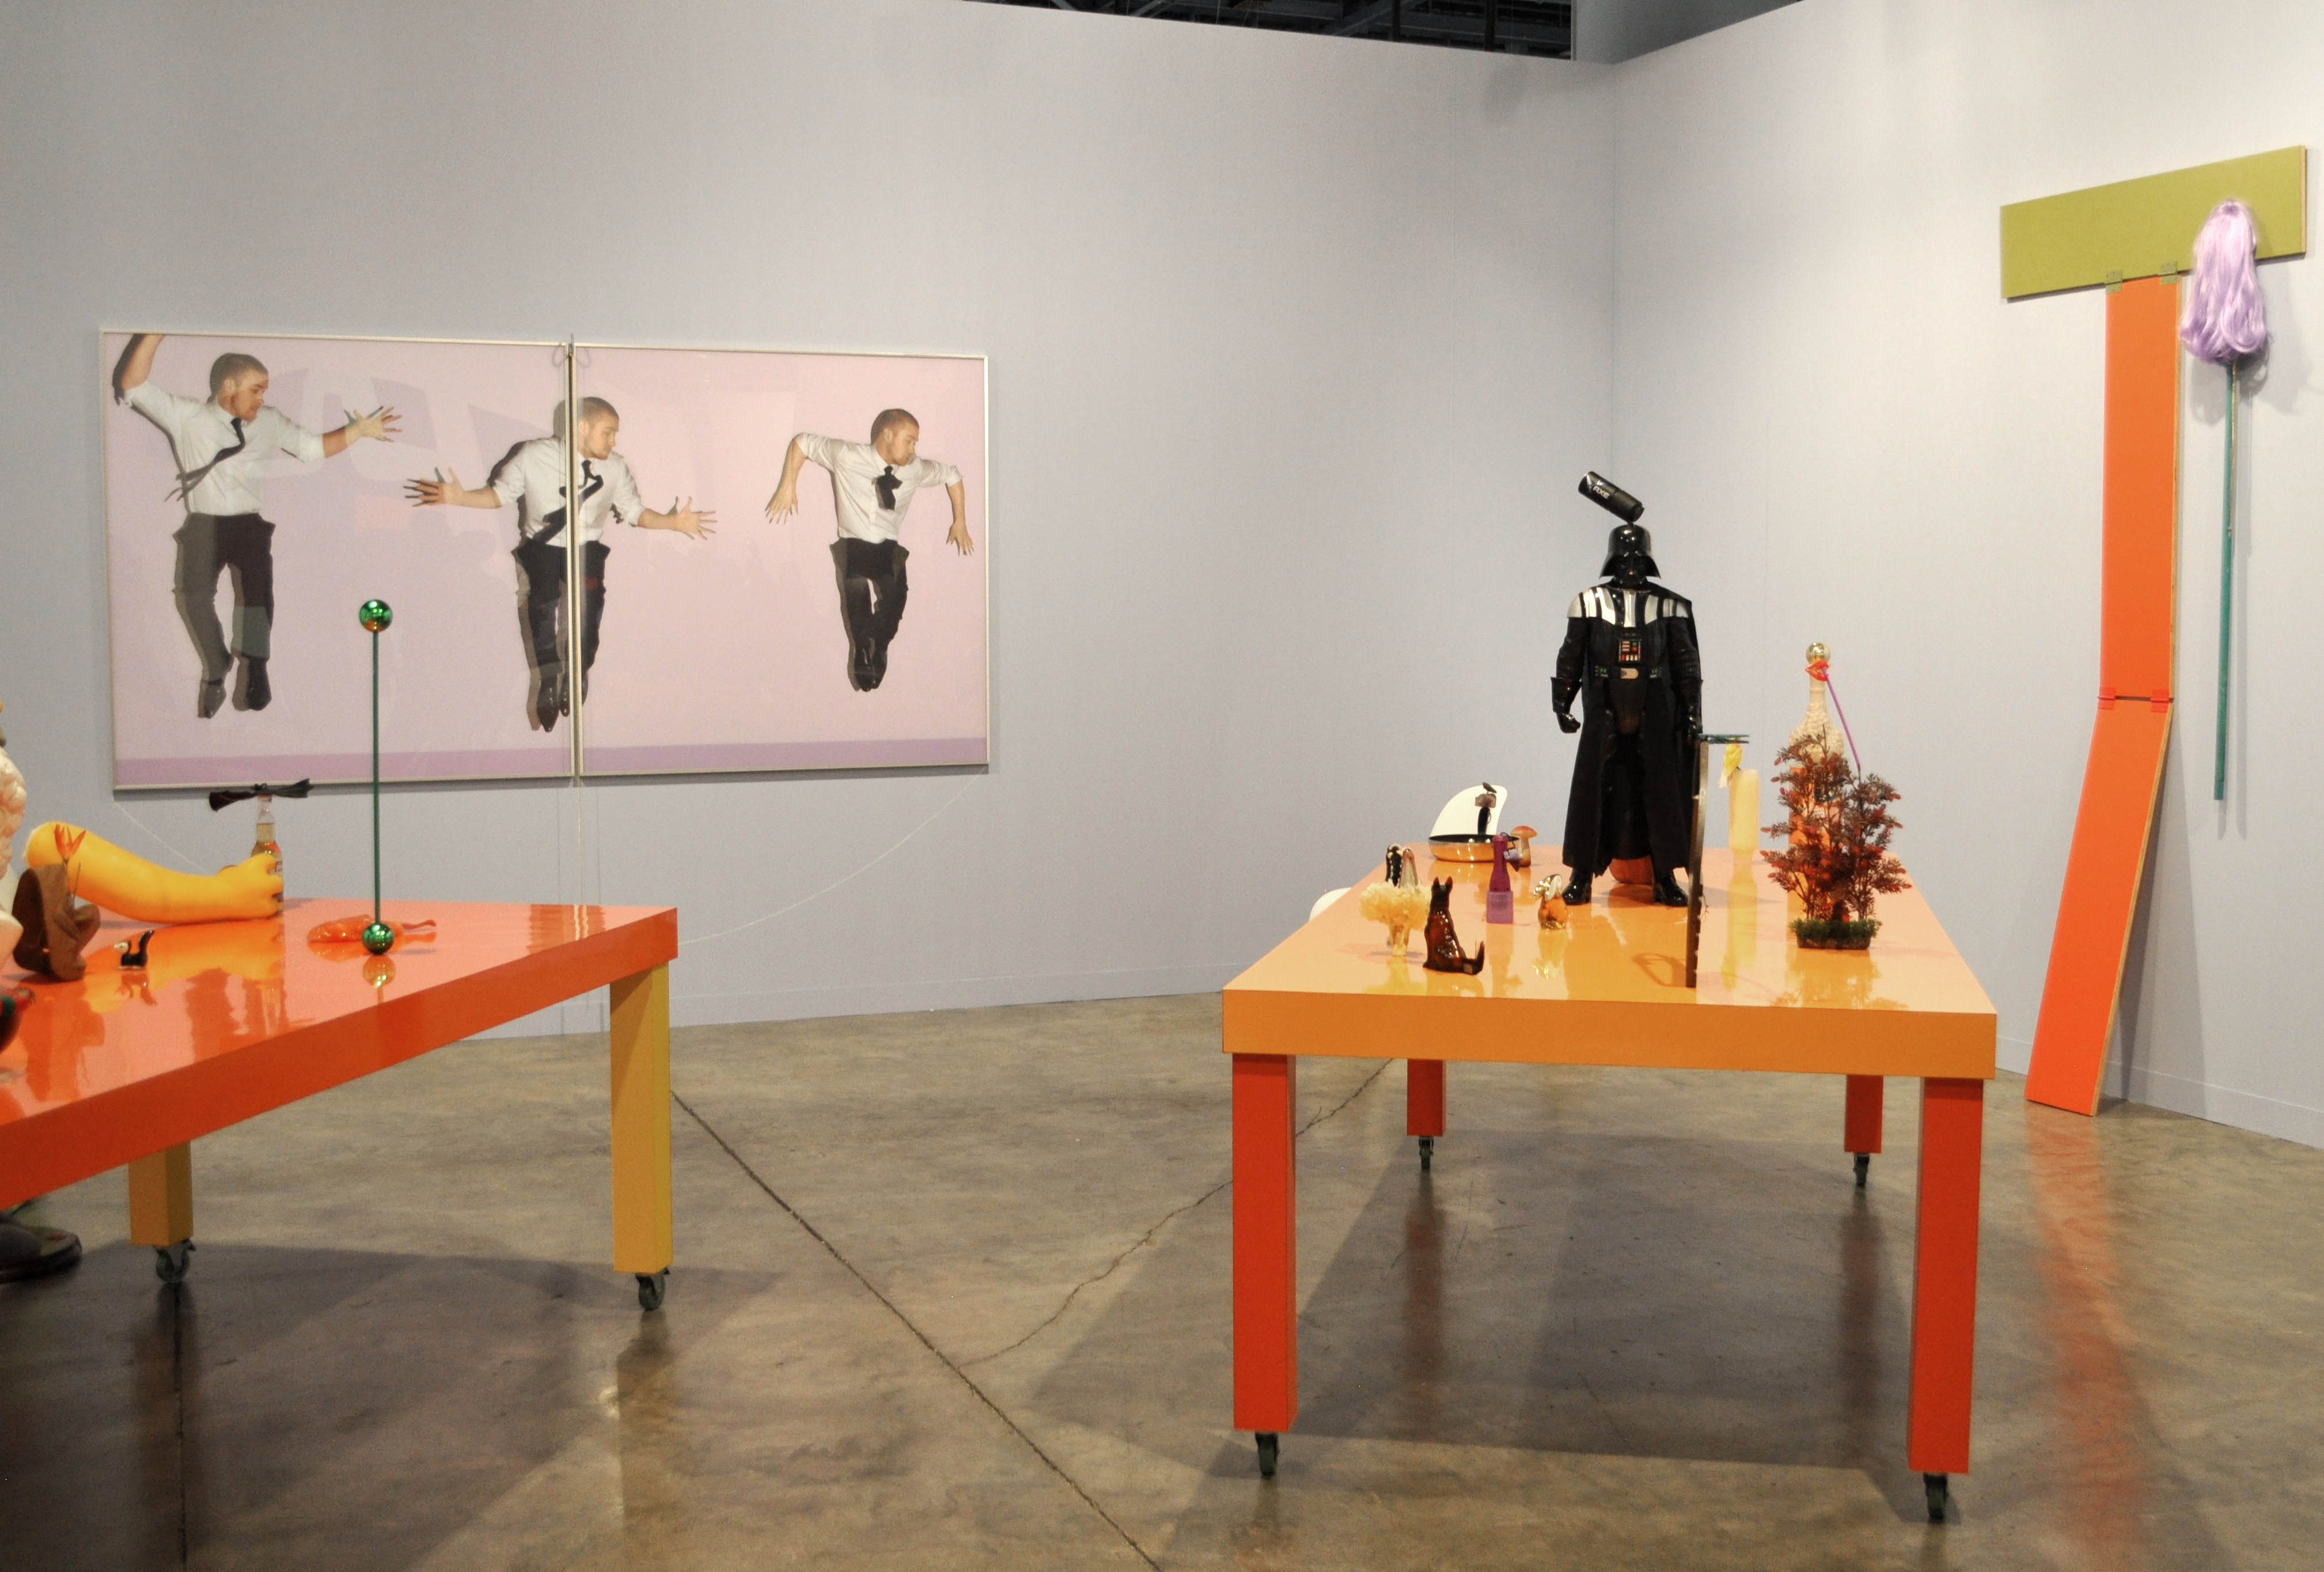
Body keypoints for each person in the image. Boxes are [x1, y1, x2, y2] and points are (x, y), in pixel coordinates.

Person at [114, 334, 400, 716]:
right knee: (193, 597)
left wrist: (358, 432)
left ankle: (256, 667)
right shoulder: (188, 417)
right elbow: (133, 386)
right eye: (255, 389)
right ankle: (216, 664)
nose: (262, 398)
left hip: (248, 525)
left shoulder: (269, 422)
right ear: (229, 385)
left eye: (264, 391)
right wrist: (153, 335)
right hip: (204, 526)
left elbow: (311, 448)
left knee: (257, 598)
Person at [405, 398, 713, 730]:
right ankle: (549, 678)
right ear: (583, 427)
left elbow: (635, 513)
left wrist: (673, 523)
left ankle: (578, 673)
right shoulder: (534, 455)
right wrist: (459, 497)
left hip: (585, 550)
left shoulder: (615, 467)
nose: (613, 441)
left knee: (589, 614)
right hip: (542, 548)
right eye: (608, 432)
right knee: (541, 608)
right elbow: (499, 496)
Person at [763, 410, 972, 691]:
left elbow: (952, 475)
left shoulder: (915, 469)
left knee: (896, 599)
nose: (913, 449)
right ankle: (862, 648)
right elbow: (802, 443)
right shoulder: (848, 455)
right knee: (856, 596)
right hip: (854, 543)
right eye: (909, 441)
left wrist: (960, 521)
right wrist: (788, 485)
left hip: (888, 545)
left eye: (915, 443)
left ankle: (880, 645)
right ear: (888, 435)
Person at [1553, 522, 1702, 907]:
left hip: (1655, 710)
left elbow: (1686, 664)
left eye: (1638, 561)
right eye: (1624, 561)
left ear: (1648, 562)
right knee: (1591, 791)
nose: (1631, 568)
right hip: (1604, 708)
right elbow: (1571, 656)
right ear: (1612, 562)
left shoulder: (1670, 606)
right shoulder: (1588, 603)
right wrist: (1561, 704)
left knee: (1660, 793)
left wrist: (1691, 714)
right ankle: (1581, 877)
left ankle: (1664, 877)